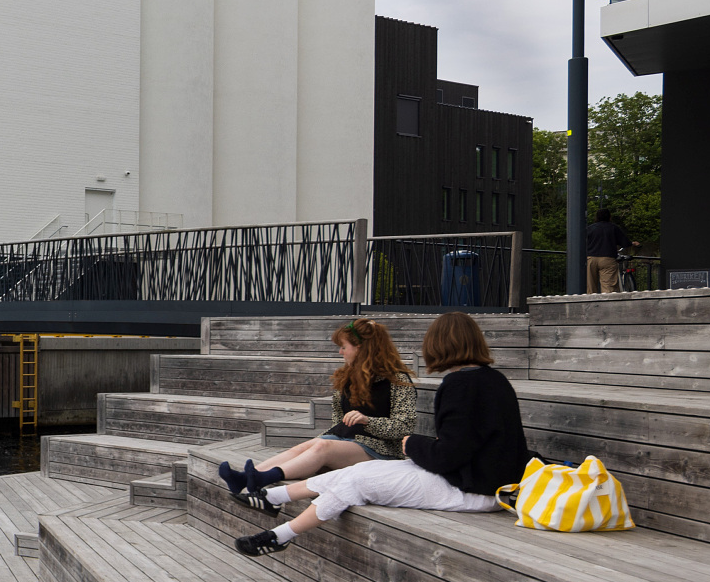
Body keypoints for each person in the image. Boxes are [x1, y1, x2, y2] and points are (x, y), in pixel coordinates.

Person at [232, 311, 529, 558]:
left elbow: (449, 455)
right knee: (363, 470)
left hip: (473, 490)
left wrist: (412, 443)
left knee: (359, 481)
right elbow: (465, 446)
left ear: (439, 345)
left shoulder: (460, 385)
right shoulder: (495, 379)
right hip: (484, 481)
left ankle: (280, 535)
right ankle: (273, 496)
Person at [216, 317, 416, 497]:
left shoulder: (397, 380)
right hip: (347, 444)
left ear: (362, 348)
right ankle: (244, 478)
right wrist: (324, 439)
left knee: (322, 446)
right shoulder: (346, 377)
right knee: (306, 446)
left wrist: (367, 421)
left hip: (383, 452)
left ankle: (262, 479)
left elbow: (404, 427)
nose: (340, 352)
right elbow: (338, 421)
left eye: (344, 347)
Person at [585, 208, 632, 294]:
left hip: (591, 258)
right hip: (608, 259)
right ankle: (607, 306)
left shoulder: (590, 228)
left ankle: (591, 304)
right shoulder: (613, 228)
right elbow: (625, 243)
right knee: (609, 288)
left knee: (590, 287)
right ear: (609, 217)